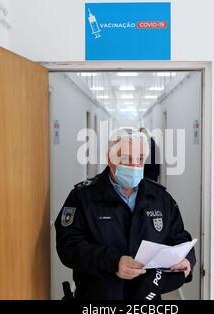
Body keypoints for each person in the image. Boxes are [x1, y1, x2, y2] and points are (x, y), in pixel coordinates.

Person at [55, 128, 195, 300]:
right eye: (126, 159)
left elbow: (180, 238)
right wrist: (113, 262)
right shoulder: (83, 198)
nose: (135, 166)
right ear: (109, 158)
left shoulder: (161, 198)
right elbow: (68, 246)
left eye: (140, 159)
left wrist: (187, 260)